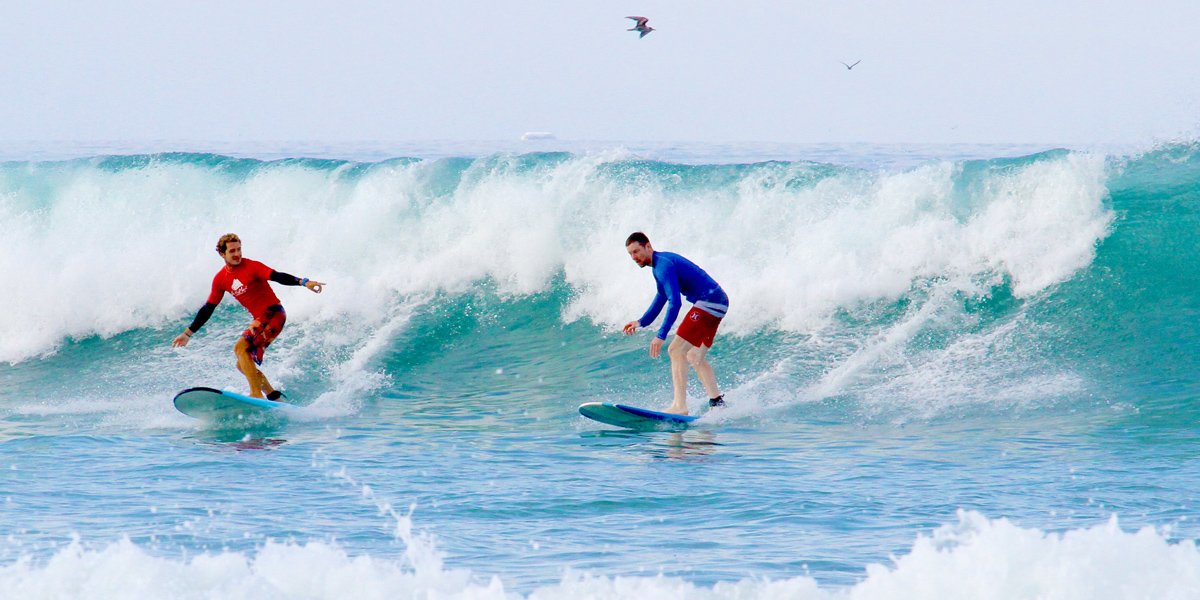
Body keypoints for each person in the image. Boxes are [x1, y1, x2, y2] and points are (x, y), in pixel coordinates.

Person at [172, 233, 325, 400]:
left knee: (240, 348)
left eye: (239, 249)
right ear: (222, 254)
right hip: (261, 317)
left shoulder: (252, 266)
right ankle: (273, 396)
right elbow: (209, 308)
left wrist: (303, 282)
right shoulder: (220, 279)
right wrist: (188, 333)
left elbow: (277, 276)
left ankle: (256, 394)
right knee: (243, 364)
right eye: (232, 251)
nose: (237, 254)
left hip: (273, 313)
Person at [622, 232, 728, 415]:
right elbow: (662, 296)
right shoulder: (660, 266)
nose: (634, 257)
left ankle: (680, 406)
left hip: (709, 302)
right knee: (694, 356)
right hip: (719, 301)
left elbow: (675, 302)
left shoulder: (663, 265)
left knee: (675, 350)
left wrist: (660, 335)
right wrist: (641, 322)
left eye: (636, 251)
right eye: (631, 254)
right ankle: (717, 402)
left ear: (648, 246)